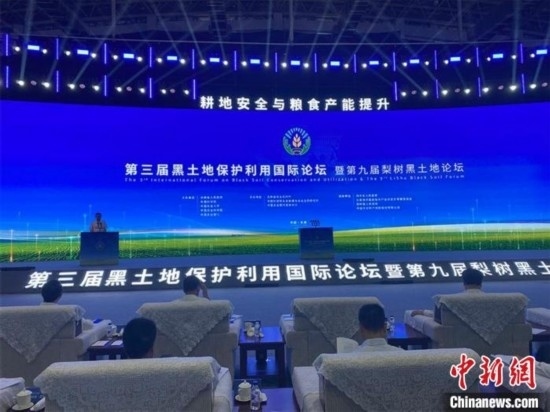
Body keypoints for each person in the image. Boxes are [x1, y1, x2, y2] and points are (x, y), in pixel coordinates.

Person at [410, 268, 484, 318]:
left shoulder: (449, 300)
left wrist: (423, 312)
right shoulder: (490, 299)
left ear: (464, 283)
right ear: (481, 283)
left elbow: (440, 317)